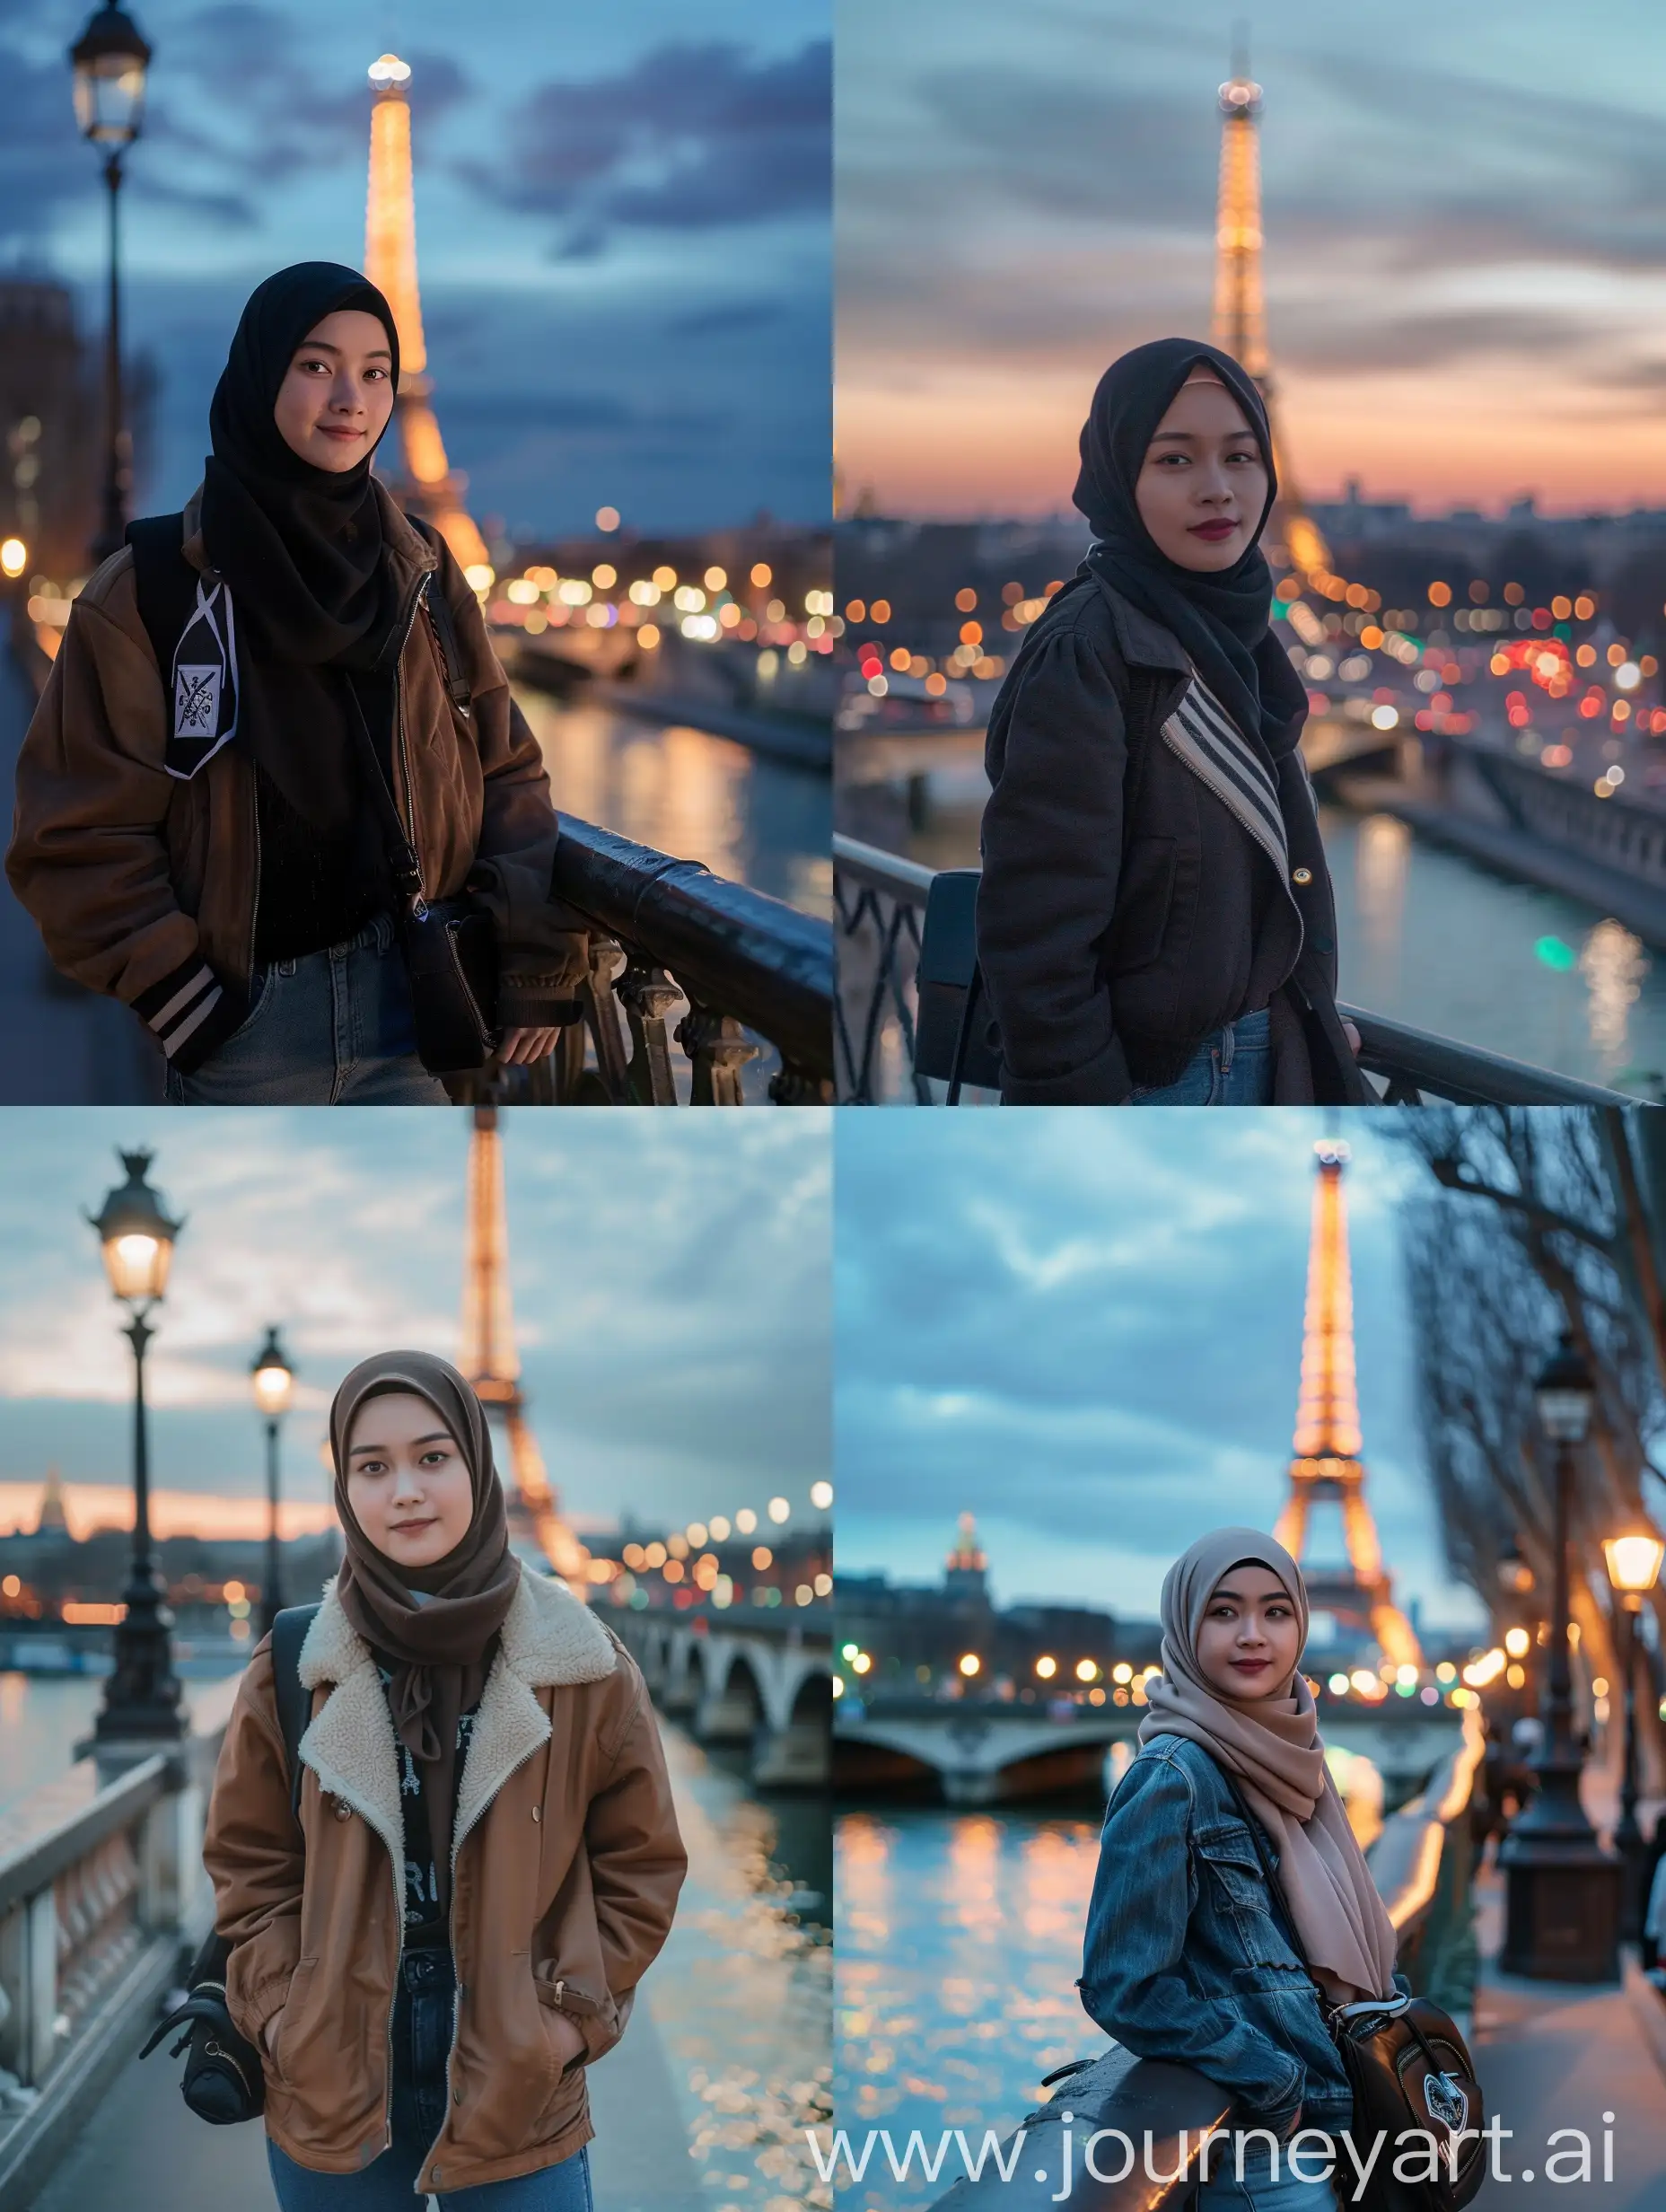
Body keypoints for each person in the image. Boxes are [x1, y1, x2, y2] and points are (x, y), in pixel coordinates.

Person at [7, 263, 585, 1103]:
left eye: (375, 371)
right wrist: (185, 1000)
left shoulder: (422, 574)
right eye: (316, 365)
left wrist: (532, 954)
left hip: (408, 1018)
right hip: (243, 1032)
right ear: (259, 375)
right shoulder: (148, 590)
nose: (351, 396)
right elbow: (70, 834)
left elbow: (505, 771)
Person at [202, 1351, 687, 2208]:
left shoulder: (585, 1667)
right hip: (332, 2067)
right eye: (373, 1467)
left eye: (433, 1458)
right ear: (346, 1488)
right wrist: (286, 2014)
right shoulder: (289, 1664)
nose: (406, 1492)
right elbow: (250, 1865)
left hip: (517, 2076)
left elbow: (640, 1867)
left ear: (479, 1462)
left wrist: (564, 2022)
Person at [977, 338, 1369, 1106]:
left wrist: (1309, 1017)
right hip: (1159, 1084)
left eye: (1241, 456)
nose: (1218, 490)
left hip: (1257, 1057)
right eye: (1175, 461)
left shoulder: (1227, 628)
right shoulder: (1088, 650)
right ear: (1119, 475)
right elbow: (1039, 935)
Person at [1079, 1529, 1400, 2210]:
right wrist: (1270, 2076)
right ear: (1184, 1625)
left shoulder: (1300, 1760)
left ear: (1302, 1625)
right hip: (1273, 2160)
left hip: (1352, 2126)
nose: (1253, 1634)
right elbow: (1123, 1984)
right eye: (1223, 1612)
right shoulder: (1171, 1778)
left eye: (1275, 1612)